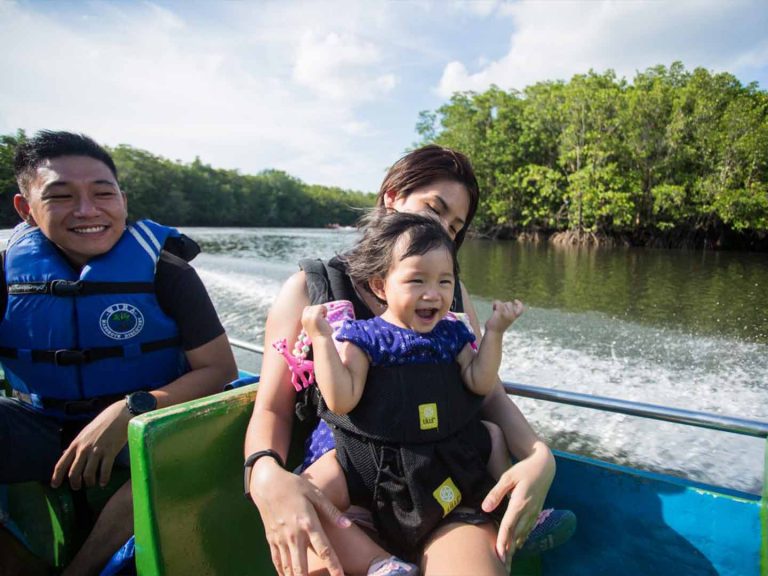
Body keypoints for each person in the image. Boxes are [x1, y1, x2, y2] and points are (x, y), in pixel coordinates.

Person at [244, 145, 566, 576]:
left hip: (442, 483)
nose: (442, 230)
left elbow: (485, 391)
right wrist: (263, 472)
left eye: (455, 226)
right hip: (348, 487)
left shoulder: (452, 298)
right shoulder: (310, 291)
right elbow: (272, 408)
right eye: (435, 209)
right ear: (391, 197)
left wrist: (538, 456)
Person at [0, 130, 238, 576]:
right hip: (43, 424)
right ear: (25, 209)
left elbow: (218, 369)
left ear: (123, 200)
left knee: (183, 444)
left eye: (103, 193)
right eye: (62, 196)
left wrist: (130, 411)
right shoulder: (7, 272)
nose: (87, 211)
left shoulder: (168, 272)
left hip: (148, 422)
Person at [298, 212, 525, 575]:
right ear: (380, 286)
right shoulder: (364, 337)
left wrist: (495, 332)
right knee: (303, 498)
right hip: (369, 459)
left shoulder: (452, 333)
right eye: (416, 280)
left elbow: (479, 382)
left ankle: (511, 510)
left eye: (444, 281)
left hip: (435, 456)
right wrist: (322, 339)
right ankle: (378, 565)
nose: (433, 293)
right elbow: (342, 400)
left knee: (493, 437)